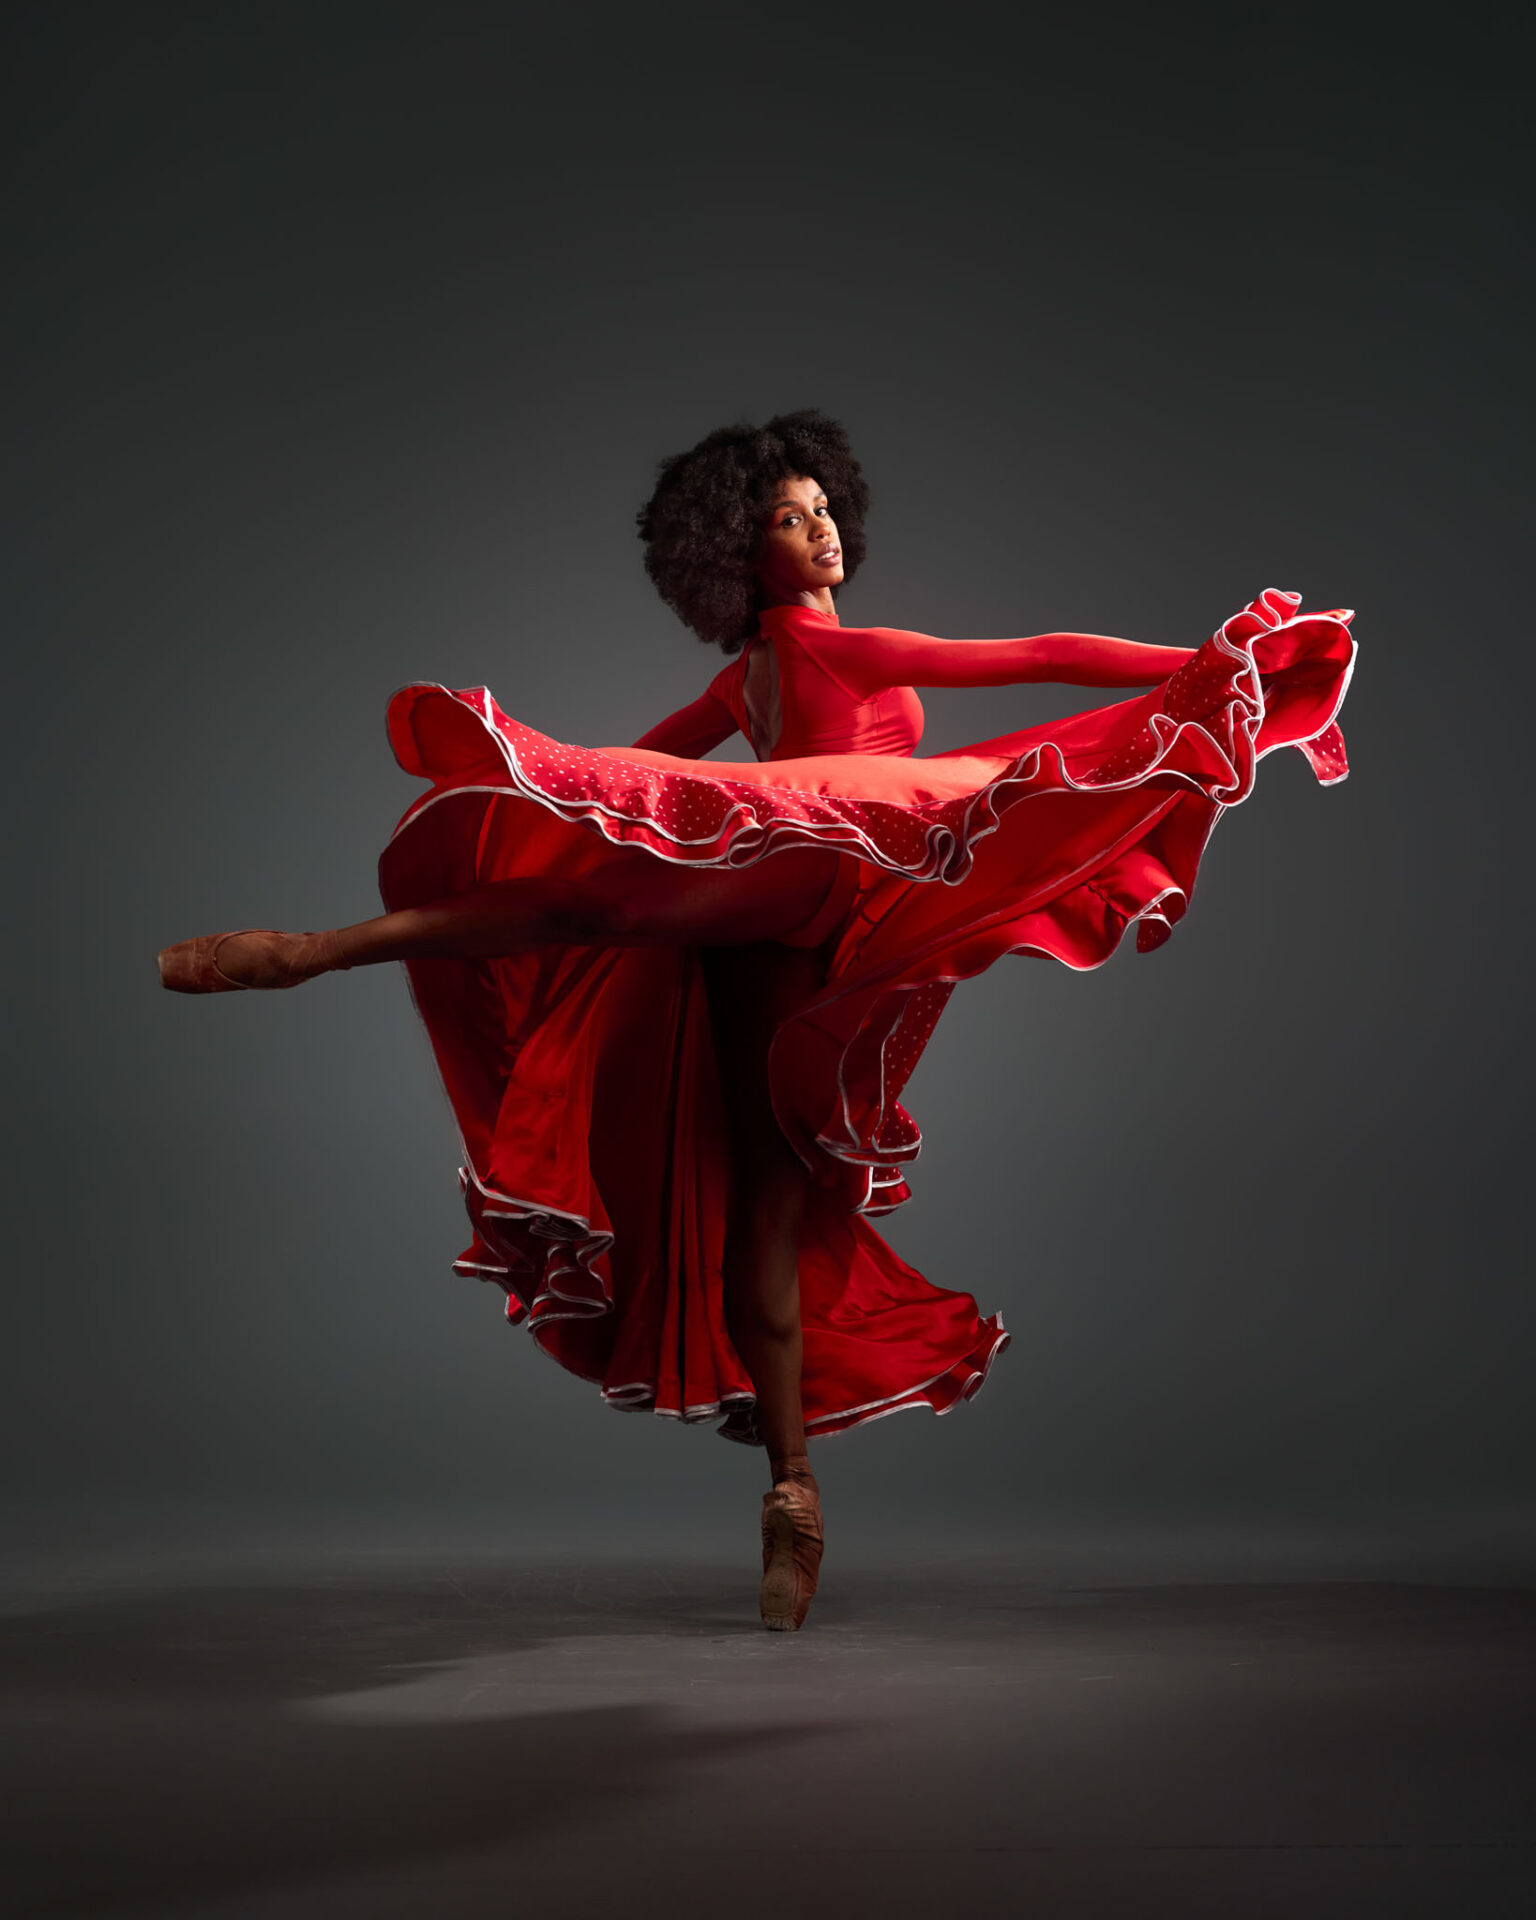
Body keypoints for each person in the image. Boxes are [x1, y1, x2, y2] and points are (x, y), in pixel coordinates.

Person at [158, 409, 1357, 1631]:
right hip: (807, 906)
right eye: (790, 520)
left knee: (611, 933)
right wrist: (1207, 669)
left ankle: (323, 950)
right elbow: (1033, 654)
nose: (822, 531)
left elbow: (639, 773)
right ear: (742, 554)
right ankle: (789, 1491)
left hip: (753, 922)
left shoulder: (748, 678)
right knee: (766, 1196)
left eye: (824, 508)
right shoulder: (844, 652)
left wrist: (542, 796)